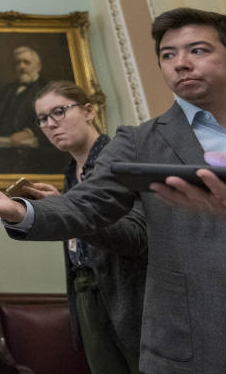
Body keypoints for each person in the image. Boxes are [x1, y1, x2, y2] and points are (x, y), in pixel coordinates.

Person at [0, 7, 226, 373]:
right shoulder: (139, 142)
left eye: (198, 50)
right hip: (191, 343)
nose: (180, 63)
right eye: (168, 55)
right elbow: (87, 205)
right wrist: (17, 210)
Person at [25, 81, 146, 374]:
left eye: (59, 112)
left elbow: (135, 237)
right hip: (85, 292)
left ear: (89, 111)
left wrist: (69, 212)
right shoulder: (70, 173)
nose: (51, 124)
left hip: (129, 294)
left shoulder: (119, 157)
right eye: (43, 118)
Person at [0, 46, 69, 175]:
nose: (22, 67)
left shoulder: (48, 89)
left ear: (38, 66)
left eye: (26, 62)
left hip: (36, 151)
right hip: (2, 148)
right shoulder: (7, 90)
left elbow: (58, 120)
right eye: (18, 63)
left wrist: (28, 132)